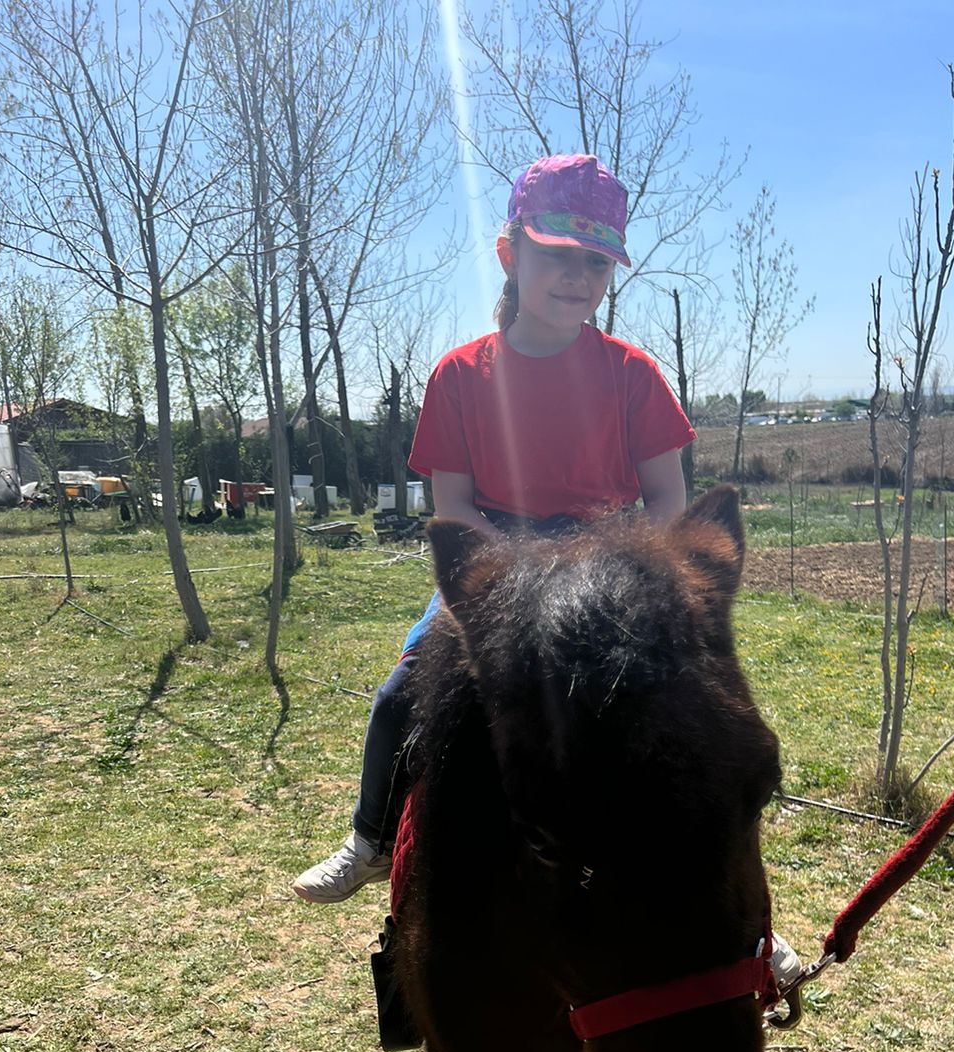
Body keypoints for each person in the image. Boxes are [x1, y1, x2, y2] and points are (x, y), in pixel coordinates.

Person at [293, 155, 687, 900]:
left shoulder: (633, 374)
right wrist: (518, 568)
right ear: (511, 253)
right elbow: (453, 506)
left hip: (608, 563)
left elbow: (668, 500)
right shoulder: (458, 376)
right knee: (401, 695)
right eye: (558, 254)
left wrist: (611, 564)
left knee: (696, 712)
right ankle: (371, 837)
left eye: (597, 262)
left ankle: (730, 909)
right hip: (490, 558)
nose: (578, 277)